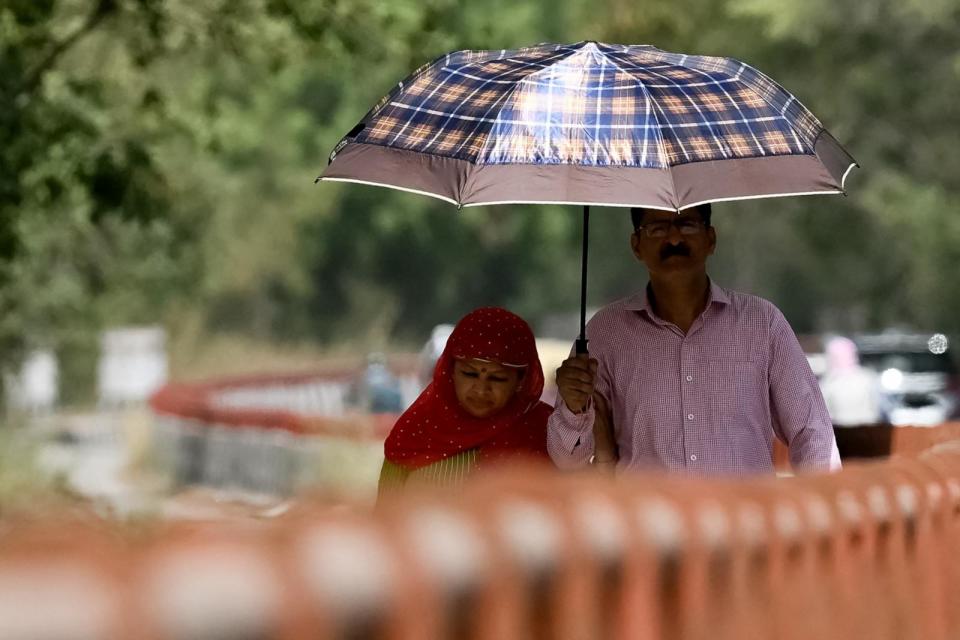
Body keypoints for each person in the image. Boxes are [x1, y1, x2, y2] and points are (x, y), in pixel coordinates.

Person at [548, 204, 841, 475]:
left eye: (687, 225)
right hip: (650, 527)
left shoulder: (762, 323)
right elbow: (567, 460)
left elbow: (813, 434)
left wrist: (824, 512)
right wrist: (574, 408)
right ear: (636, 245)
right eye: (657, 228)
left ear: (710, 239)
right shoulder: (604, 334)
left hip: (745, 526)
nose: (674, 238)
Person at [378, 307, 553, 496]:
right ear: (450, 370)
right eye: (469, 374)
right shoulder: (418, 429)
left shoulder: (546, 432)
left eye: (497, 378)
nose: (480, 389)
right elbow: (385, 510)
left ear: (521, 380)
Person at [819, 336, 883, 427]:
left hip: (842, 434)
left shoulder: (827, 383)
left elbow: (823, 414)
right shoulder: (868, 378)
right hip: (868, 432)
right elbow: (879, 408)